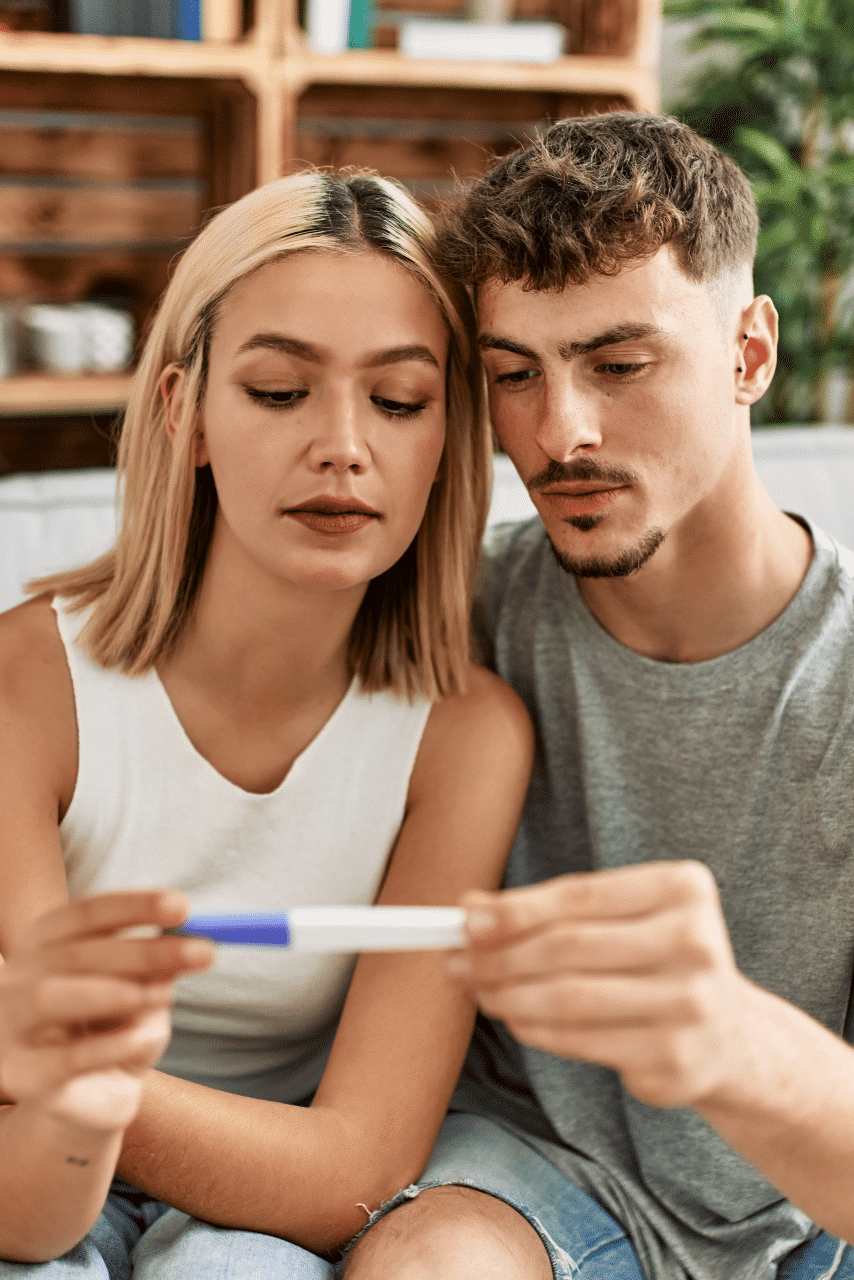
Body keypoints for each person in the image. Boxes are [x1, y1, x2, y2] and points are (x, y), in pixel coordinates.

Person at [337, 114, 854, 1280]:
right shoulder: (451, 612)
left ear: (747, 353)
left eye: (619, 364)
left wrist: (722, 1037)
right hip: (529, 1165)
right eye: (514, 373)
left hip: (814, 1196)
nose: (556, 431)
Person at [0, 170, 533, 1275]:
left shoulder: (464, 738)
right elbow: (27, 1198)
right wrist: (63, 1098)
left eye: (397, 401)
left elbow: (356, 1168)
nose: (343, 445)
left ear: (446, 439)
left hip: (265, 1208)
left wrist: (85, 1076)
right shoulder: (26, 683)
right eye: (280, 391)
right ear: (181, 413)